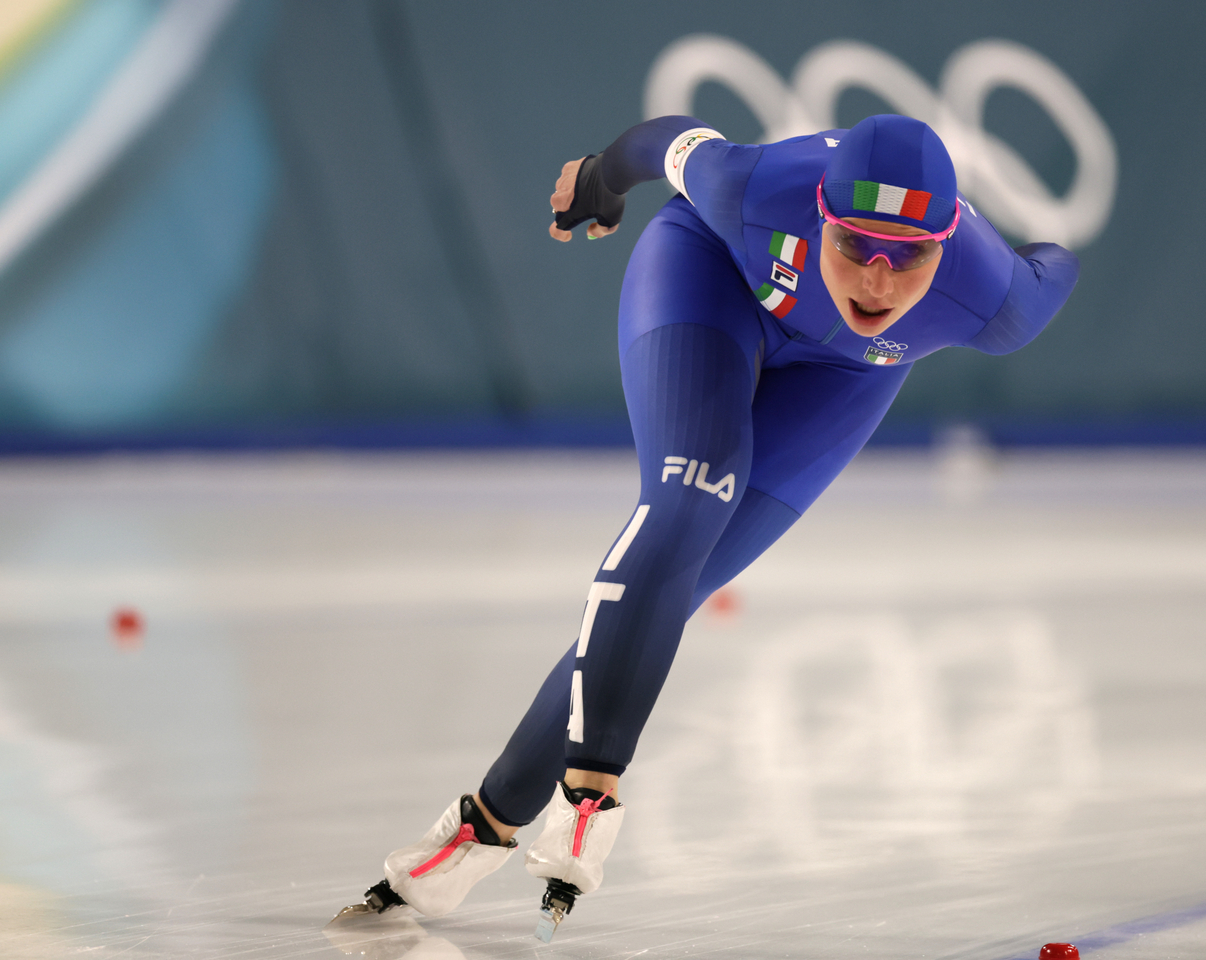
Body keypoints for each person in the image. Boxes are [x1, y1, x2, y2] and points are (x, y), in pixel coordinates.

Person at [330, 114, 1079, 940]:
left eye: (909, 256)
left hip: (844, 377)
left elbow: (1056, 263)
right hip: (709, 282)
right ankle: (591, 789)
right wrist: (599, 179)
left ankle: (482, 828)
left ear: (946, 249)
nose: (876, 279)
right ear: (820, 218)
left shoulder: (998, 300)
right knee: (690, 495)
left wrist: (1020, 247)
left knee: (679, 583)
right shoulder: (751, 190)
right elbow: (665, 144)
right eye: (855, 246)